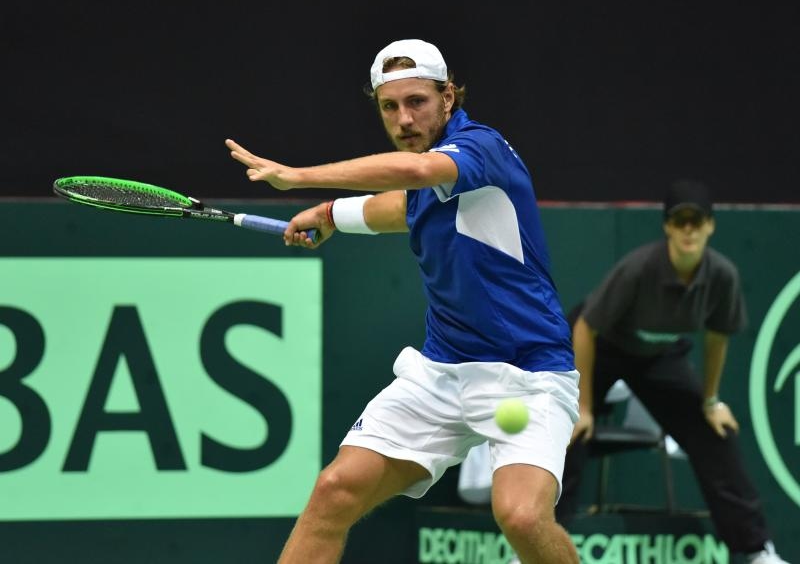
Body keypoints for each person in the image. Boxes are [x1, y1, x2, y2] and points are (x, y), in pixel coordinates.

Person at [226, 39, 580, 564]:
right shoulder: (430, 174)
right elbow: (405, 206)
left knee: (523, 516)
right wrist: (329, 214)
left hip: (527, 375)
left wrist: (297, 179)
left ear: (448, 97)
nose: (404, 118)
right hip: (441, 374)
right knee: (335, 491)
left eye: (417, 101)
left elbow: (414, 175)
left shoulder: (481, 149)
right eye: (390, 106)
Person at [557, 179, 789, 564]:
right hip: (602, 347)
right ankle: (536, 549)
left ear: (710, 226)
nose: (687, 230)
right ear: (666, 226)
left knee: (715, 431)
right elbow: (585, 327)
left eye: (695, 222)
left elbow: (717, 337)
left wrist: (711, 401)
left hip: (659, 355)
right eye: (679, 221)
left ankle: (754, 551)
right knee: (567, 429)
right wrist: (582, 407)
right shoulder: (638, 269)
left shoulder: (721, 277)